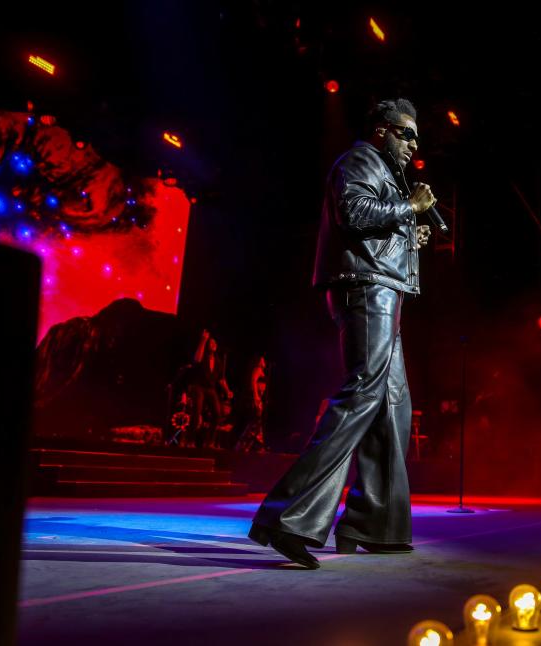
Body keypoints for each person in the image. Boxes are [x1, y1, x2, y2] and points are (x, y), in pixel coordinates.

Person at [248, 98, 436, 569]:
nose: (413, 144)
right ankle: (286, 517)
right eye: (405, 133)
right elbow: (354, 212)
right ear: (380, 130)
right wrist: (408, 205)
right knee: (361, 396)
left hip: (385, 288)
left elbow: (378, 225)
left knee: (394, 408)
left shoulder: (387, 174)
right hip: (365, 289)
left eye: (415, 136)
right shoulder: (359, 160)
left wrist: (409, 235)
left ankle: (372, 523)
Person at [190, 329, 233, 449]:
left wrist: (227, 390)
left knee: (217, 413)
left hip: (210, 388)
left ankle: (209, 442)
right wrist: (203, 340)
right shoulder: (202, 355)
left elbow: (221, 379)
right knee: (196, 412)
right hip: (199, 386)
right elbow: (196, 360)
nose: (213, 344)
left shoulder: (218, 361)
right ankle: (190, 440)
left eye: (215, 343)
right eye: (211, 343)